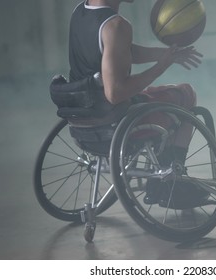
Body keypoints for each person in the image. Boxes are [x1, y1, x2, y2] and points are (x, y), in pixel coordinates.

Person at [68, 0, 207, 206]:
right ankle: (171, 182)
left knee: (154, 96)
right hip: (117, 125)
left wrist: (167, 54)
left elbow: (118, 51)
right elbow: (115, 93)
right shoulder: (116, 25)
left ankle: (162, 179)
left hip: (83, 122)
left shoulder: (80, 11)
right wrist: (162, 66)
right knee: (185, 94)